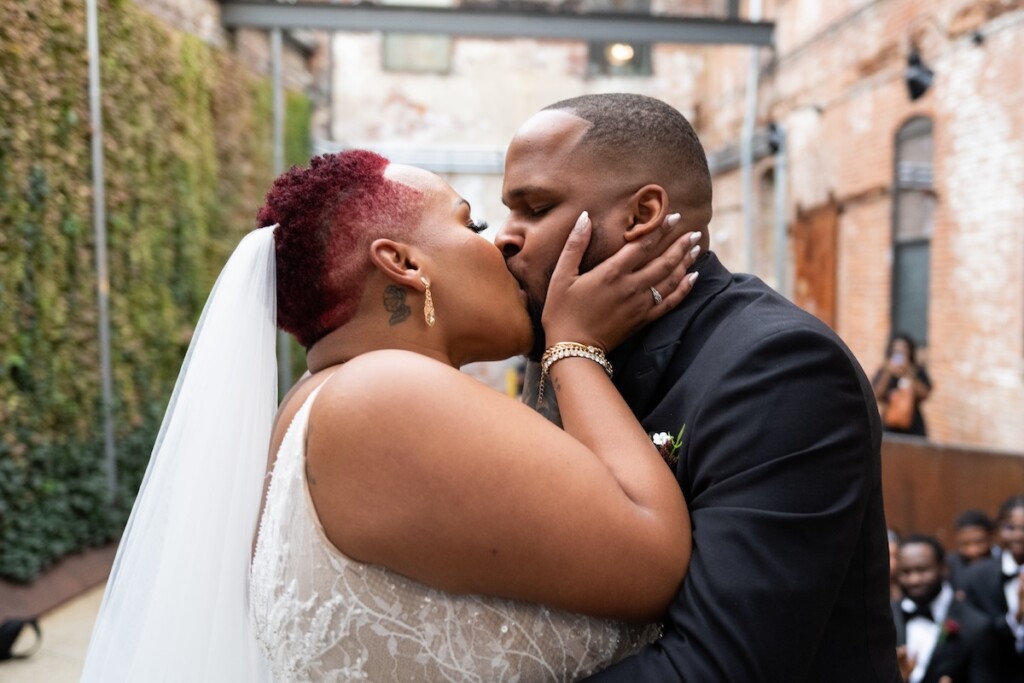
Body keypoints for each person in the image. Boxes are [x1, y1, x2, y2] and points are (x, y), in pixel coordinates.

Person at [80, 150, 704, 682]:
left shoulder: (314, 402)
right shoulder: (385, 395)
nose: (501, 244)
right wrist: (576, 345)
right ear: (402, 263)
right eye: (473, 222)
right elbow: (654, 558)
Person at [495, 93, 902, 681]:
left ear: (642, 215)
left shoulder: (781, 367)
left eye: (534, 208)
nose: (506, 238)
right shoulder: (564, 343)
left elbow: (715, 667)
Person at [891, 534, 1000, 683]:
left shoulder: (977, 626)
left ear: (943, 568)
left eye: (922, 570)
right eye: (906, 572)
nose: (914, 580)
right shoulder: (884, 620)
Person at [961, 494, 1024, 682]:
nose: (1019, 535)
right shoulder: (977, 575)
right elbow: (978, 633)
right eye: (1010, 527)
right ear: (997, 531)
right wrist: (1016, 616)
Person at [872, 332, 932, 437]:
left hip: (913, 425)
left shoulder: (916, 370)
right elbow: (877, 394)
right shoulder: (885, 370)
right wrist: (888, 372)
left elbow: (924, 394)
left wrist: (908, 373)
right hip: (889, 425)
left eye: (904, 348)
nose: (900, 352)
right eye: (897, 348)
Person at [948, 508, 997, 591]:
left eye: (979, 542)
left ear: (991, 538)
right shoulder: (949, 566)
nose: (973, 551)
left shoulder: (1004, 562)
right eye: (965, 544)